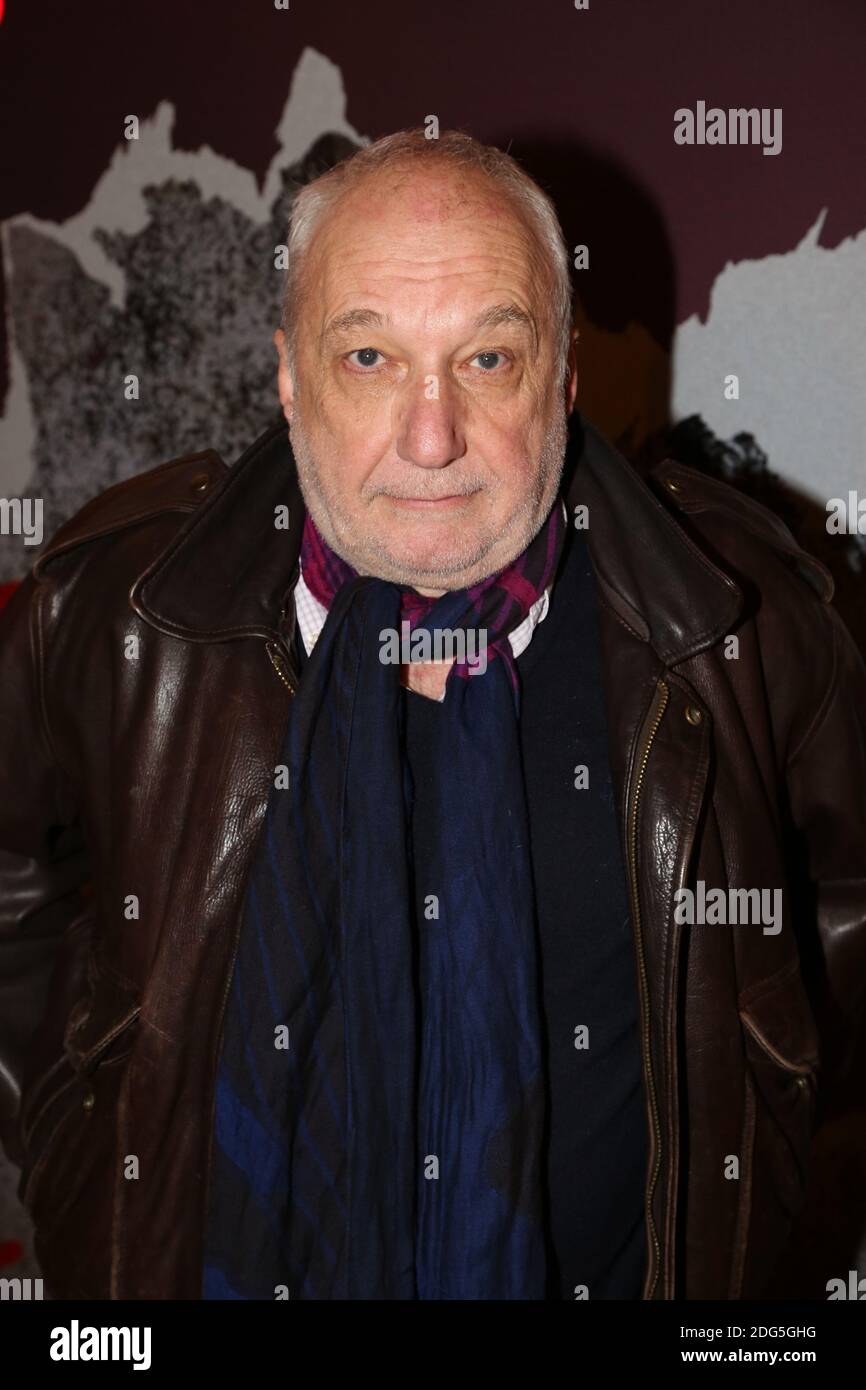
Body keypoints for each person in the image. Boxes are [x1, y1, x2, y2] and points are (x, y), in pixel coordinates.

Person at [0, 128, 864, 1302]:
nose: (429, 437)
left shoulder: (739, 619)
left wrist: (767, 1142)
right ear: (288, 376)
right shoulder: (111, 611)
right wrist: (67, 1130)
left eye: (487, 361)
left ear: (561, 374)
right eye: (367, 357)